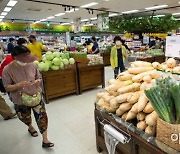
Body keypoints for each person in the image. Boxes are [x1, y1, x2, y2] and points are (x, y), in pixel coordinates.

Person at [2, 45, 54, 148]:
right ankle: (30, 127)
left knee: (42, 117)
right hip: (20, 99)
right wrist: (18, 85)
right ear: (16, 56)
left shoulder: (32, 65)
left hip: (36, 95)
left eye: (28, 54)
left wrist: (38, 81)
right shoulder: (7, 69)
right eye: (24, 55)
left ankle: (45, 140)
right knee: (25, 117)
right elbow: (7, 87)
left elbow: (38, 76)